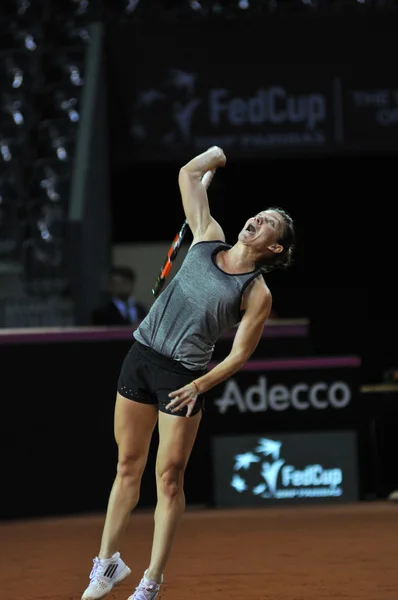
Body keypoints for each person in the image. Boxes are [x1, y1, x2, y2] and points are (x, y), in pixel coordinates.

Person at [81, 146, 296, 600]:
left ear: (274, 247)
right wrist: (215, 155)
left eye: (269, 224)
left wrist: (198, 385)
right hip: (141, 356)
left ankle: (152, 580)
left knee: (169, 478)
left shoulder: (257, 293)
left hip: (185, 376)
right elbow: (187, 173)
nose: (257, 220)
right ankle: (106, 565)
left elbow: (238, 355)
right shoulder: (207, 233)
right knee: (126, 466)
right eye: (258, 214)